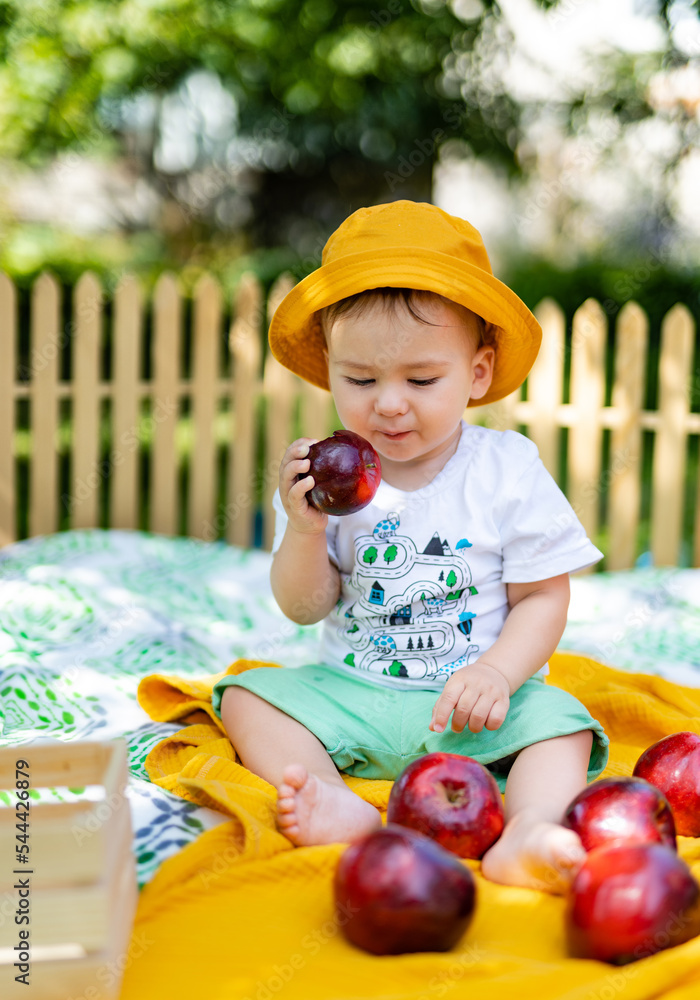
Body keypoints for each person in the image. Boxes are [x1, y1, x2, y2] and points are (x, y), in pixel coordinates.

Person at [212, 200, 609, 894]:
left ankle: (527, 831)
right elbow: (304, 608)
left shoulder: (506, 469)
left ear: (478, 374)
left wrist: (500, 673)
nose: (389, 404)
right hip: (353, 691)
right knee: (245, 697)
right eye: (360, 380)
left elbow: (544, 596)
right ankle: (334, 800)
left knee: (562, 724)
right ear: (330, 371)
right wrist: (303, 530)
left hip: (473, 710)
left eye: (421, 381)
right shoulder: (324, 478)